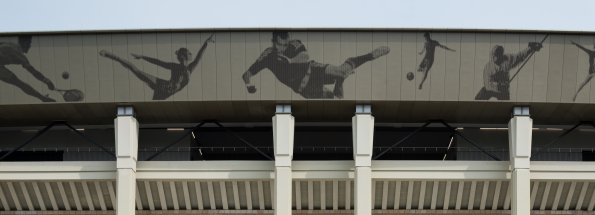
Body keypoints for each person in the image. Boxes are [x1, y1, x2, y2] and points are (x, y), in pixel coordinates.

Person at [242, 31, 390, 99]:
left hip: (312, 70)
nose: (283, 47)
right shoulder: (267, 56)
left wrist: (289, 61)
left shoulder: (294, 44)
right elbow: (247, 73)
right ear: (273, 43)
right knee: (336, 102)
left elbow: (305, 56)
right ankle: (339, 82)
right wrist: (249, 85)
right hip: (305, 88)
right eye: (280, 45)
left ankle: (369, 56)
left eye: (285, 44)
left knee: (342, 71)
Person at [99, 33, 215, 100]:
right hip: (162, 85)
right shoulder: (175, 66)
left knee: (154, 105)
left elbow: (199, 56)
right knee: (136, 71)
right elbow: (158, 62)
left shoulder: (190, 68)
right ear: (184, 55)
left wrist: (206, 43)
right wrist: (143, 57)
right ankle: (113, 56)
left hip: (165, 91)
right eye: (189, 53)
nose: (191, 54)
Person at [475, 42, 543, 100]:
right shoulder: (488, 68)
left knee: (505, 108)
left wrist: (531, 49)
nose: (497, 58)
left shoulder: (507, 59)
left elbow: (520, 56)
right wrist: (499, 86)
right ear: (492, 56)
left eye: (499, 55)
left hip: (503, 91)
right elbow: (488, 85)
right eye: (495, 56)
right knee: (479, 97)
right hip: (491, 88)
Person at [0, 36, 56, 102]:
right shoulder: (20, 54)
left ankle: (42, 98)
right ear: (25, 44)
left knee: (18, 82)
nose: (30, 46)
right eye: (29, 44)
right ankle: (43, 98)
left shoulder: (10, 44)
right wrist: (47, 81)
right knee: (19, 83)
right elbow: (33, 72)